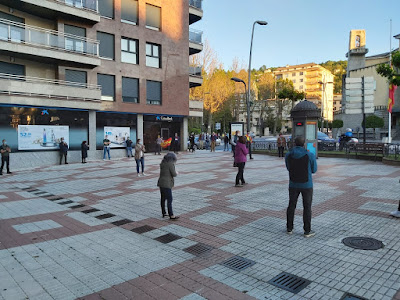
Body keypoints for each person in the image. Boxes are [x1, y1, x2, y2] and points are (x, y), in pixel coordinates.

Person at [285, 136, 317, 238]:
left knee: (291, 205)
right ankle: (307, 230)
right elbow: (314, 170)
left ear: (294, 143)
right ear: (304, 144)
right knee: (307, 207)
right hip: (307, 184)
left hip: (293, 184)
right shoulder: (309, 155)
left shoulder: (289, 155)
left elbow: (288, 167)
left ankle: (289, 228)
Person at [157, 152, 179, 220]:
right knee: (170, 199)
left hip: (161, 182)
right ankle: (171, 215)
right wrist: (176, 172)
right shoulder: (170, 164)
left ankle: (164, 212)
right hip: (167, 184)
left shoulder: (162, 163)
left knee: (163, 198)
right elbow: (174, 174)